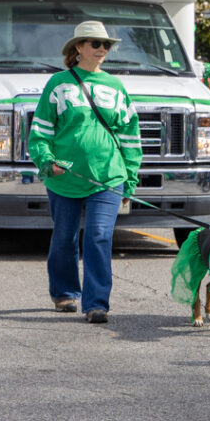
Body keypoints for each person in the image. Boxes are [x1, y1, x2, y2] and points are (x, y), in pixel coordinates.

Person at [28, 21, 142, 323]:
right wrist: (46, 161)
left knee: (99, 236)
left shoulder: (116, 86)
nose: (102, 49)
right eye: (95, 43)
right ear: (78, 47)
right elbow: (40, 132)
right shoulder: (58, 83)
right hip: (64, 178)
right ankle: (65, 292)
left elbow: (130, 135)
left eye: (106, 44)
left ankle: (96, 304)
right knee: (64, 238)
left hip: (108, 176)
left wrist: (130, 179)